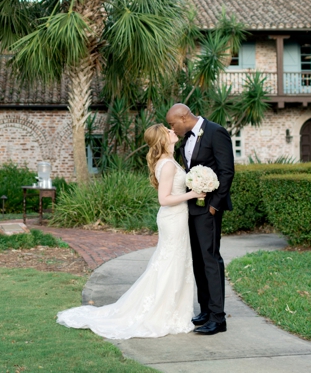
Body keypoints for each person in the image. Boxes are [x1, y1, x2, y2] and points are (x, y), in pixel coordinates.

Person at [56, 124, 203, 339]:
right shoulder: (168, 165)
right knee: (170, 262)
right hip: (173, 218)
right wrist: (193, 194)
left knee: (174, 262)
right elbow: (164, 199)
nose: (173, 131)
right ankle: (163, 311)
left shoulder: (169, 161)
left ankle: (173, 310)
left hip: (177, 218)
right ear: (163, 139)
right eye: (168, 131)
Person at [165, 103, 234, 335]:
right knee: (198, 260)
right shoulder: (186, 140)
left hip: (209, 210)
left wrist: (215, 206)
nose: (172, 129)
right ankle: (205, 310)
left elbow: (227, 171)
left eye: (173, 124)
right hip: (191, 208)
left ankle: (218, 317)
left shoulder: (216, 132)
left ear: (184, 117)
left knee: (211, 260)